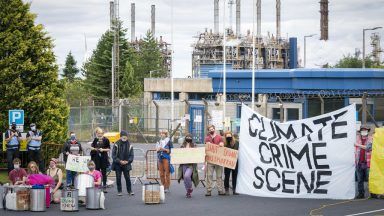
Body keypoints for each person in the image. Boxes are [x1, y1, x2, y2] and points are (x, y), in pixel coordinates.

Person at [205, 125, 225, 196]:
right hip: (210, 159)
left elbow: (222, 144)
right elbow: (206, 148)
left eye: (212, 129)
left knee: (219, 175)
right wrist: (207, 145)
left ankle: (220, 190)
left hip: (218, 159)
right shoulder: (207, 138)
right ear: (208, 131)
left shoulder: (219, 137)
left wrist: (221, 144)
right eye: (210, 129)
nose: (211, 130)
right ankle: (208, 190)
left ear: (214, 129)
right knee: (209, 175)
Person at [112, 131, 134, 196]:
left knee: (127, 178)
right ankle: (119, 191)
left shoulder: (130, 145)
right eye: (123, 136)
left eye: (126, 136)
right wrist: (119, 161)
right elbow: (113, 155)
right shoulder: (116, 144)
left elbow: (131, 155)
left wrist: (128, 161)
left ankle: (129, 191)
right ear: (120, 136)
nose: (124, 138)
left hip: (126, 164)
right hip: (118, 164)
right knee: (118, 178)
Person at [177, 134, 199, 198]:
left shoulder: (194, 145)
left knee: (187, 176)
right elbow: (179, 154)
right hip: (184, 164)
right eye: (187, 137)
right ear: (185, 138)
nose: (188, 138)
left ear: (191, 138)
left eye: (190, 137)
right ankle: (188, 192)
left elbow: (197, 153)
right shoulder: (182, 145)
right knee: (185, 179)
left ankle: (190, 188)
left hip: (191, 165)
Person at [355, 126, 373, 199]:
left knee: (370, 179)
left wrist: (357, 145)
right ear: (360, 132)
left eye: (365, 130)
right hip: (359, 162)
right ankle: (361, 193)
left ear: (368, 131)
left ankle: (372, 193)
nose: (364, 131)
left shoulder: (371, 139)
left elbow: (368, 148)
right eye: (362, 130)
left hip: (368, 163)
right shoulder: (357, 139)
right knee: (360, 180)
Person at [90, 127, 110, 192]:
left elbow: (109, 148)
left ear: (103, 133)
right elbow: (92, 147)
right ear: (96, 133)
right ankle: (98, 186)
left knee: (104, 173)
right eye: (98, 133)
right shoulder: (95, 140)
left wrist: (103, 149)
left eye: (101, 133)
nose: (100, 134)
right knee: (97, 172)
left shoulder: (106, 140)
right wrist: (94, 149)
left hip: (104, 158)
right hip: (96, 158)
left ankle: (104, 186)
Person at [224, 131, 239, 195]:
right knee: (227, 176)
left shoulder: (236, 142)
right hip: (227, 162)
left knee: (234, 176)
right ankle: (226, 189)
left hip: (234, 161)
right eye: (227, 136)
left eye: (229, 136)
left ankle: (234, 189)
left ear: (231, 136)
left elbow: (236, 150)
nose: (228, 137)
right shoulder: (224, 143)